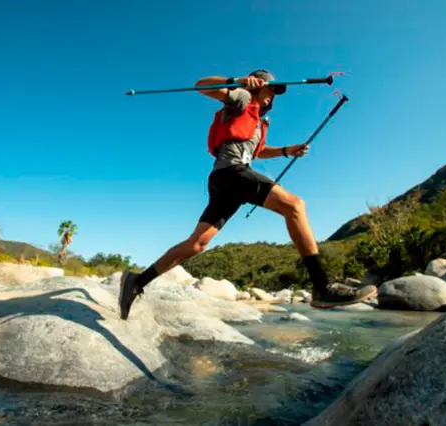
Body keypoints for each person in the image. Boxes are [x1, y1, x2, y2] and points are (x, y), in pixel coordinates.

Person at [119, 69, 377, 320]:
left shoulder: (258, 122)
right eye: (270, 89)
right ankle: (322, 286)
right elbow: (201, 85)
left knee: (197, 244)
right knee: (295, 205)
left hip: (226, 180)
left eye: (276, 93)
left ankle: (136, 281)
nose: (272, 96)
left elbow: (259, 151)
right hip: (232, 173)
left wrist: (287, 150)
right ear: (258, 84)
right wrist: (238, 82)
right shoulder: (241, 98)